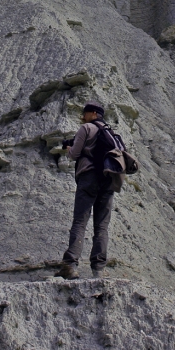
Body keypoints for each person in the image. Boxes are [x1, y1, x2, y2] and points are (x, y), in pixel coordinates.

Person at [57, 102, 115, 279]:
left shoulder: (86, 128)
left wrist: (69, 148)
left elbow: (74, 155)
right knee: (102, 226)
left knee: (80, 221)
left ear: (94, 114)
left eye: (85, 113)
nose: (82, 116)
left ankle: (70, 266)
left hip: (88, 178)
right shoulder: (111, 132)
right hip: (108, 180)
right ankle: (99, 270)